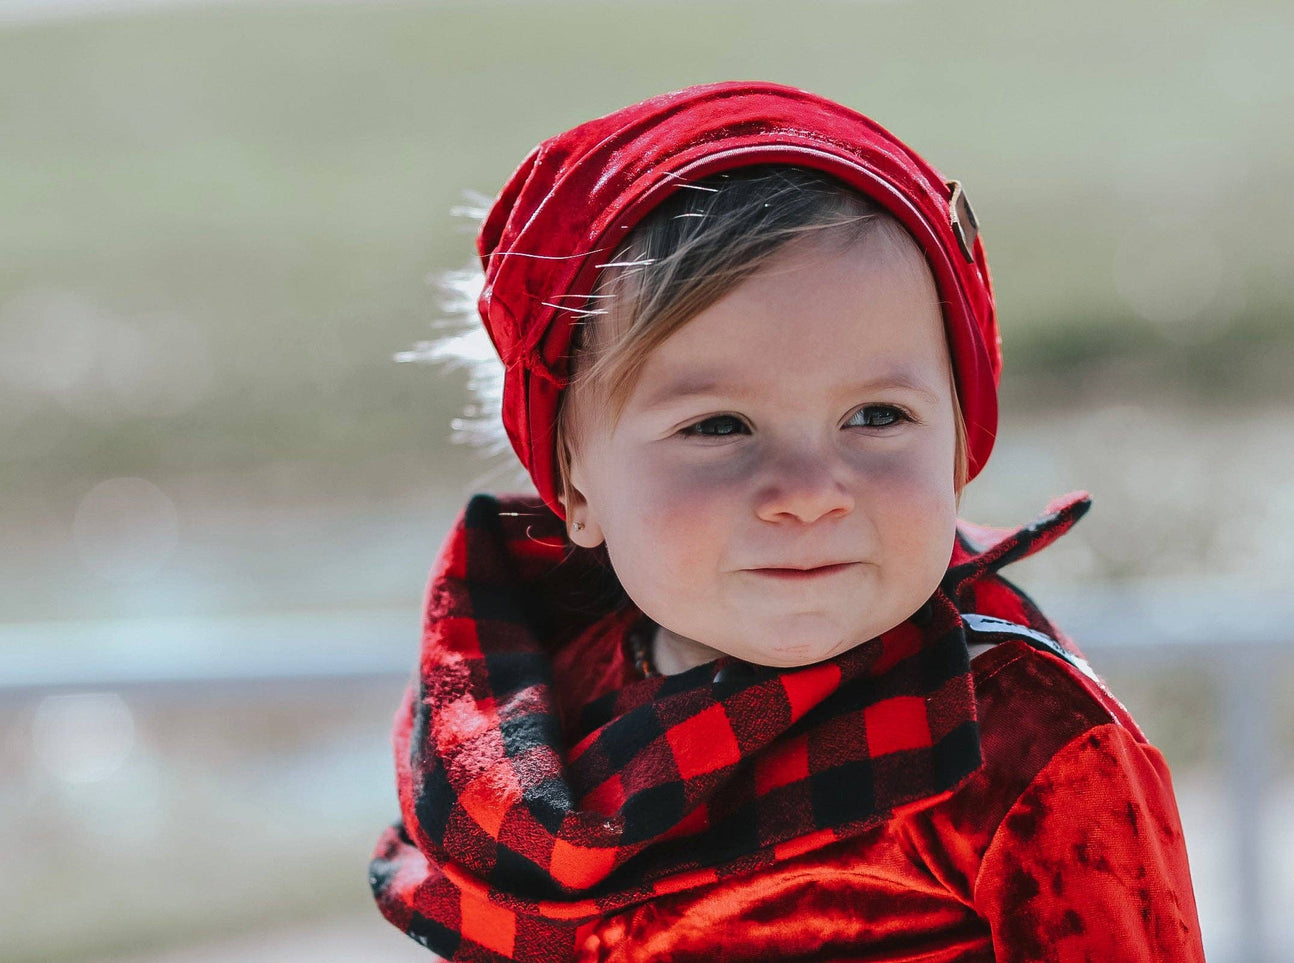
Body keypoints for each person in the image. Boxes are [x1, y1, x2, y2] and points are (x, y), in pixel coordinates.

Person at [369, 81, 1206, 962]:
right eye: (718, 426)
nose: (809, 492)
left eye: (877, 416)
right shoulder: (532, 717)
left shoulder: (1010, 736)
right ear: (573, 485)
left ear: (962, 444)